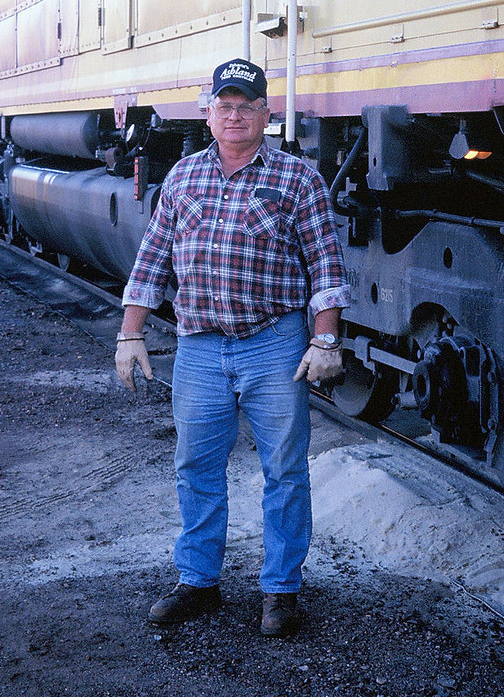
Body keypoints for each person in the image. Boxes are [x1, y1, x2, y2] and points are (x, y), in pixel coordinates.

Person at [115, 57, 349, 637]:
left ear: (266, 115)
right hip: (198, 346)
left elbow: (326, 262)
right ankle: (198, 582)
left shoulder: (298, 179)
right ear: (209, 112)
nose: (236, 115)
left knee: (285, 471)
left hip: (274, 344)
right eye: (226, 105)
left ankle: (281, 591)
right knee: (195, 466)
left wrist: (326, 338)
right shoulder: (183, 177)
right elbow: (152, 258)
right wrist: (130, 332)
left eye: (247, 106)